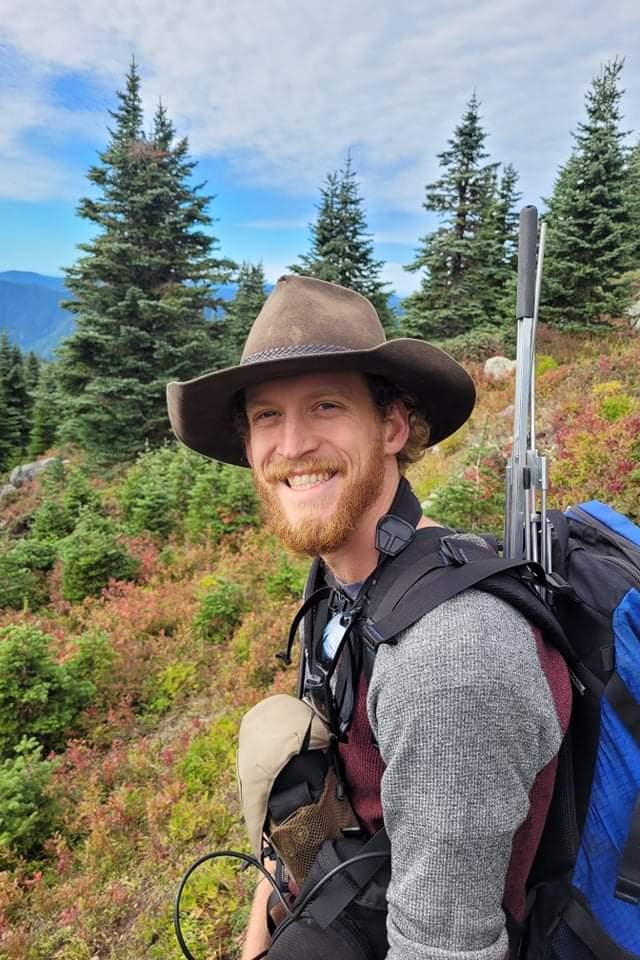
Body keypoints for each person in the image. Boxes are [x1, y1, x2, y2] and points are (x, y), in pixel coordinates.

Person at [166, 275, 571, 960]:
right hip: (356, 885)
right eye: (267, 416)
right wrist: (264, 919)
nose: (292, 445)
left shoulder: (451, 661)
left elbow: (442, 951)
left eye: (325, 406)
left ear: (392, 426)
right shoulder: (344, 583)